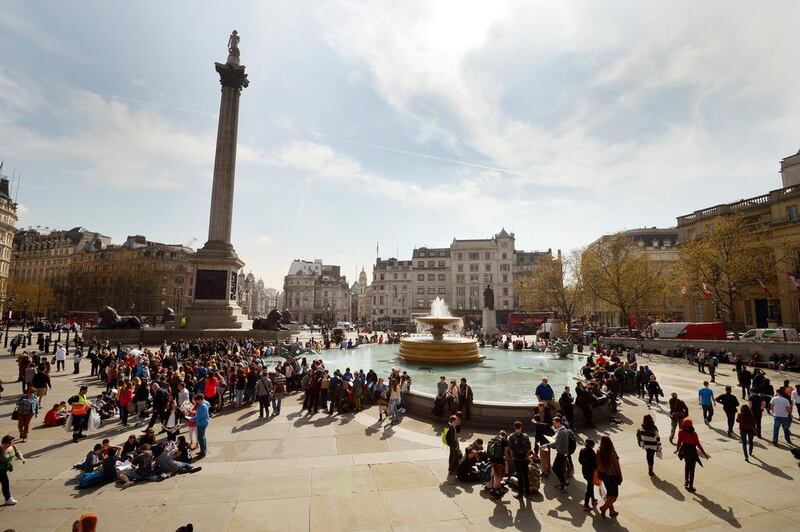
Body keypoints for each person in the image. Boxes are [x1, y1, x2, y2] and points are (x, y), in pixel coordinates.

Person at [675, 418, 709, 492]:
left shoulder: (680, 432)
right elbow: (698, 445)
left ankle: (686, 481)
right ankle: (691, 486)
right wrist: (704, 453)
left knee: (687, 465)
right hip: (692, 452)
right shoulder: (694, 434)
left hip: (685, 451)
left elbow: (679, 442)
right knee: (692, 469)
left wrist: (677, 450)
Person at [596, 436, 622, 518]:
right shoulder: (611, 452)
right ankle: (604, 508)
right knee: (614, 495)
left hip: (603, 475)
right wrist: (620, 476)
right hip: (611, 475)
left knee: (609, 493)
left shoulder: (599, 450)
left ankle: (612, 511)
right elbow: (616, 465)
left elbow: (597, 463)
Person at [507, 421, 532, 499]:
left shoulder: (511, 436)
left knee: (519, 476)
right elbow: (529, 448)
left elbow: (510, 448)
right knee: (526, 475)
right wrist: (527, 456)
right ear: (521, 427)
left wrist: (513, 456)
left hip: (517, 459)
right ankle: (527, 493)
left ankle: (520, 494)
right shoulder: (526, 436)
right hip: (524, 458)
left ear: (514, 427)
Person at [1, 434, 25, 505]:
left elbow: (17, 452)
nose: (12, 443)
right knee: (5, 483)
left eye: (12, 442)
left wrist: (21, 458)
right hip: (0, 469)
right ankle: (8, 498)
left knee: (5, 483)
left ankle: (8, 499)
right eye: (10, 442)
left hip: (4, 469)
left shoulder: (12, 447)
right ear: (5, 443)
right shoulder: (0, 449)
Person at [486, 430, 508, 499]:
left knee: (496, 474)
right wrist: (507, 459)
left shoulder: (494, 439)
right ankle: (494, 489)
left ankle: (499, 489)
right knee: (500, 476)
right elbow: (505, 452)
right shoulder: (504, 440)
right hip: (500, 461)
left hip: (493, 460)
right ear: (505, 435)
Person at [550, 416, 569, 492]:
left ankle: (563, 483)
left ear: (558, 422)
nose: (553, 425)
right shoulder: (561, 430)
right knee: (559, 468)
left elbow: (556, 443)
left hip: (561, 453)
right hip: (562, 452)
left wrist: (547, 445)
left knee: (555, 468)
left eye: (554, 423)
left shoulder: (562, 432)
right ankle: (564, 482)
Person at [187, 393, 210, 458]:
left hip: (201, 423)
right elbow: (199, 414)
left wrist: (192, 419)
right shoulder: (204, 404)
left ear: (200, 400)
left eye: (197, 400)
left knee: (201, 438)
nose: (196, 402)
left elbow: (199, 416)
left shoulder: (202, 406)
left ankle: (203, 452)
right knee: (203, 437)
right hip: (203, 422)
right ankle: (203, 451)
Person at [578, 439, 598, 511]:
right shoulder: (592, 453)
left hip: (585, 471)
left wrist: (585, 464)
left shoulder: (582, 450)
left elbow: (580, 460)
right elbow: (596, 464)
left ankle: (593, 499)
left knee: (590, 485)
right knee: (589, 488)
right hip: (591, 473)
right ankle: (586, 504)